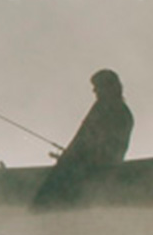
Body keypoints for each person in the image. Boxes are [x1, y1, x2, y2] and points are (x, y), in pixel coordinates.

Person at [30, 69, 133, 209]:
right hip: (92, 169)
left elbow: (87, 140)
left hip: (87, 172)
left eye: (98, 86)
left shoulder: (106, 108)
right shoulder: (121, 111)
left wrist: (69, 158)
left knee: (45, 203)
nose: (94, 90)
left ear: (109, 87)